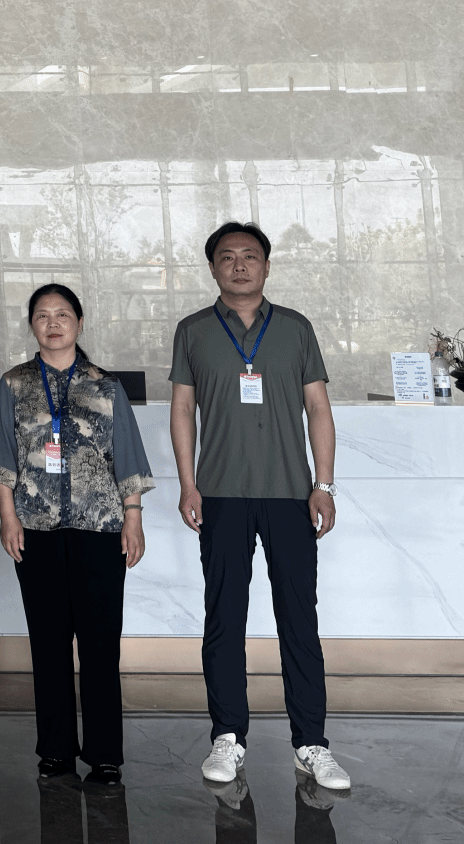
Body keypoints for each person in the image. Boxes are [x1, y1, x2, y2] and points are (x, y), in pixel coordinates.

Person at [171, 223, 351, 792]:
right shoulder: (193, 330)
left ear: (267, 266)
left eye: (250, 256)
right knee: (224, 618)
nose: (239, 265)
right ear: (213, 268)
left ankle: (311, 743)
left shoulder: (295, 328)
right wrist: (188, 484)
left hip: (289, 493)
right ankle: (228, 736)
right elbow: (183, 411)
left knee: (299, 618)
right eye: (227, 257)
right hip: (220, 493)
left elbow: (318, 409)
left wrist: (324, 485)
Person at [0, 283, 152, 783]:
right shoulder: (13, 385)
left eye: (63, 314)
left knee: (101, 645)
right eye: (42, 315)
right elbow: (3, 457)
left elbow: (127, 456)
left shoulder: (106, 387)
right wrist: (9, 518)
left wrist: (133, 519)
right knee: (49, 642)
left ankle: (104, 753)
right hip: (36, 528)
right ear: (31, 325)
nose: (53, 323)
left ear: (80, 323)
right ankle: (56, 750)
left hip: (99, 528)